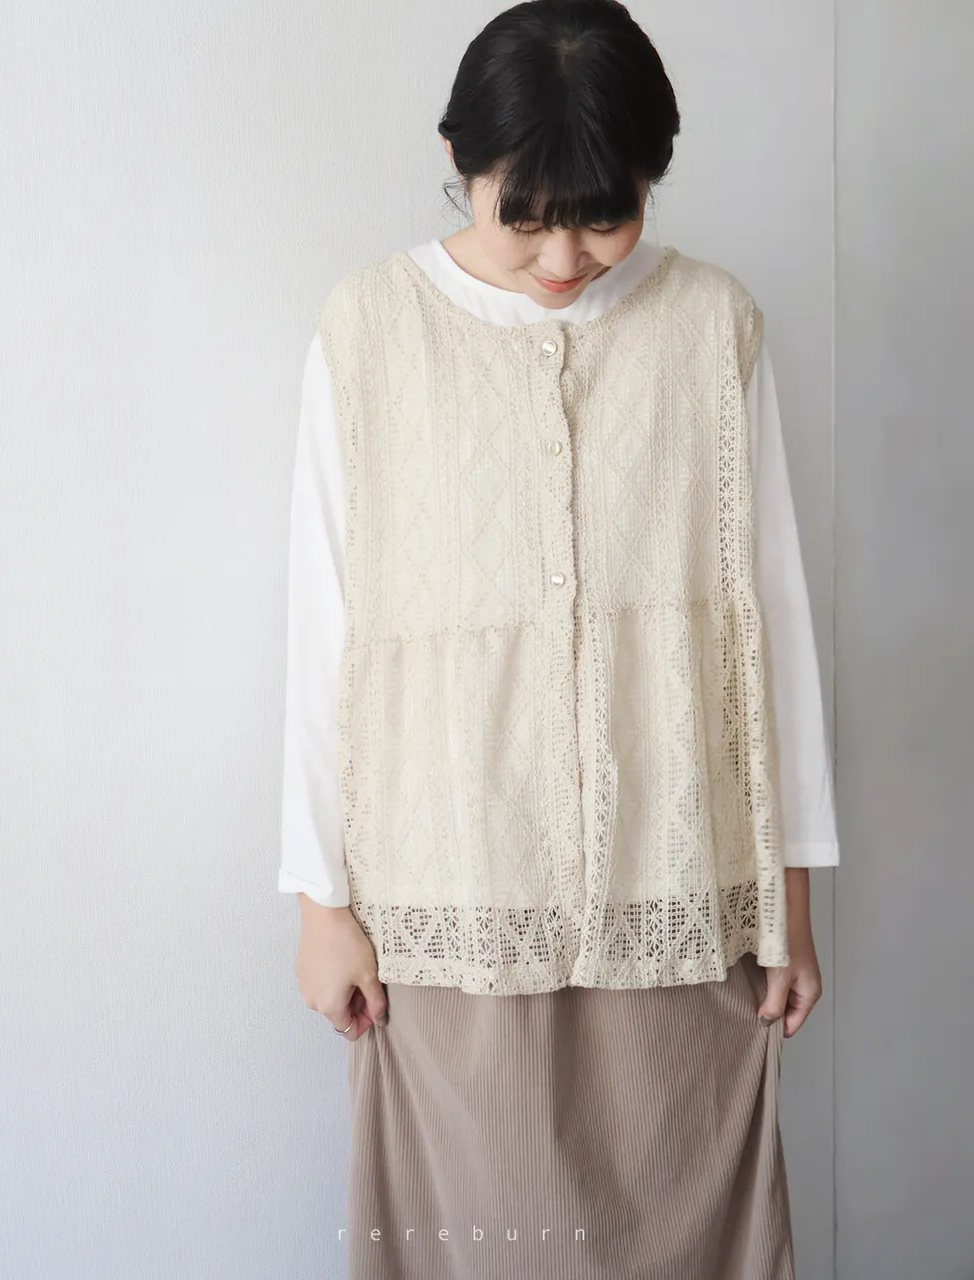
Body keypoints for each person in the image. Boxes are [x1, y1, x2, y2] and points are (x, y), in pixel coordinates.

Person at [280, 3, 840, 1277]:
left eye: (602, 215)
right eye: (523, 217)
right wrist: (322, 905)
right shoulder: (367, 332)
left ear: (652, 173)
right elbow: (325, 632)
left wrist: (792, 900)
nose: (563, 256)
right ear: (458, 158)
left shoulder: (712, 326)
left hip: (677, 883)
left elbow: (768, 626)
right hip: (448, 889)